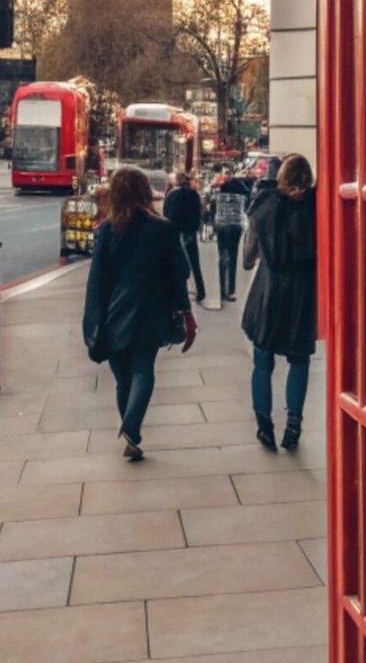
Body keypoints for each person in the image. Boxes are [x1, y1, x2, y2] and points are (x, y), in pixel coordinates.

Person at [83, 166, 196, 461]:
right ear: (145, 191)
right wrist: (185, 311)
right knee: (143, 370)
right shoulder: (162, 228)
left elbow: (96, 281)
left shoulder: (106, 231)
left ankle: (130, 428)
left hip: (114, 313)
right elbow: (180, 272)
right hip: (151, 309)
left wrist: (93, 321)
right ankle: (131, 428)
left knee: (123, 378)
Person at [242, 152, 317, 452]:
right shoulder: (318, 207)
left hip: (269, 290)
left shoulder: (264, 206)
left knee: (263, 358)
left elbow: (248, 258)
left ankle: (264, 425)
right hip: (303, 292)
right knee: (299, 358)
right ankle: (293, 424)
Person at [162, 166, 207, 303]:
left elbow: (167, 213)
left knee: (177, 264)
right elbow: (200, 212)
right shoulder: (194, 194)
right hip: (190, 232)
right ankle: (201, 291)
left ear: (177, 180)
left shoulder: (173, 195)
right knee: (195, 263)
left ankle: (178, 292)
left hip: (177, 233)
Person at [212, 165, 251, 303]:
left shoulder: (221, 189)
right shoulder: (241, 189)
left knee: (222, 256)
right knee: (233, 257)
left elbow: (213, 207)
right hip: (235, 226)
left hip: (221, 224)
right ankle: (230, 291)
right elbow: (247, 205)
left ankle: (222, 289)